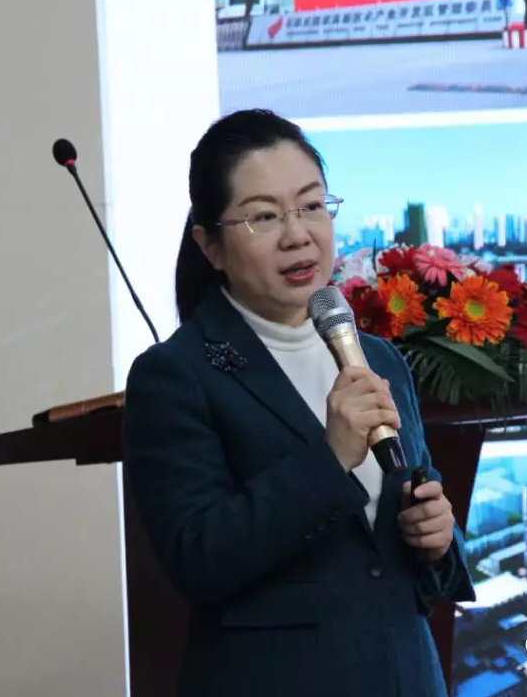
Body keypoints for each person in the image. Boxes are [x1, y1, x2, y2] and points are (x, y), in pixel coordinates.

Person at [123, 109, 475, 697]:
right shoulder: (176, 375)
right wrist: (330, 456)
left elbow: (402, 529)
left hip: (406, 674)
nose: (297, 234)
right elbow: (197, 559)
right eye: (263, 216)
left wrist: (440, 540)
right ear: (210, 246)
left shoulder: (380, 359)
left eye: (312, 205)